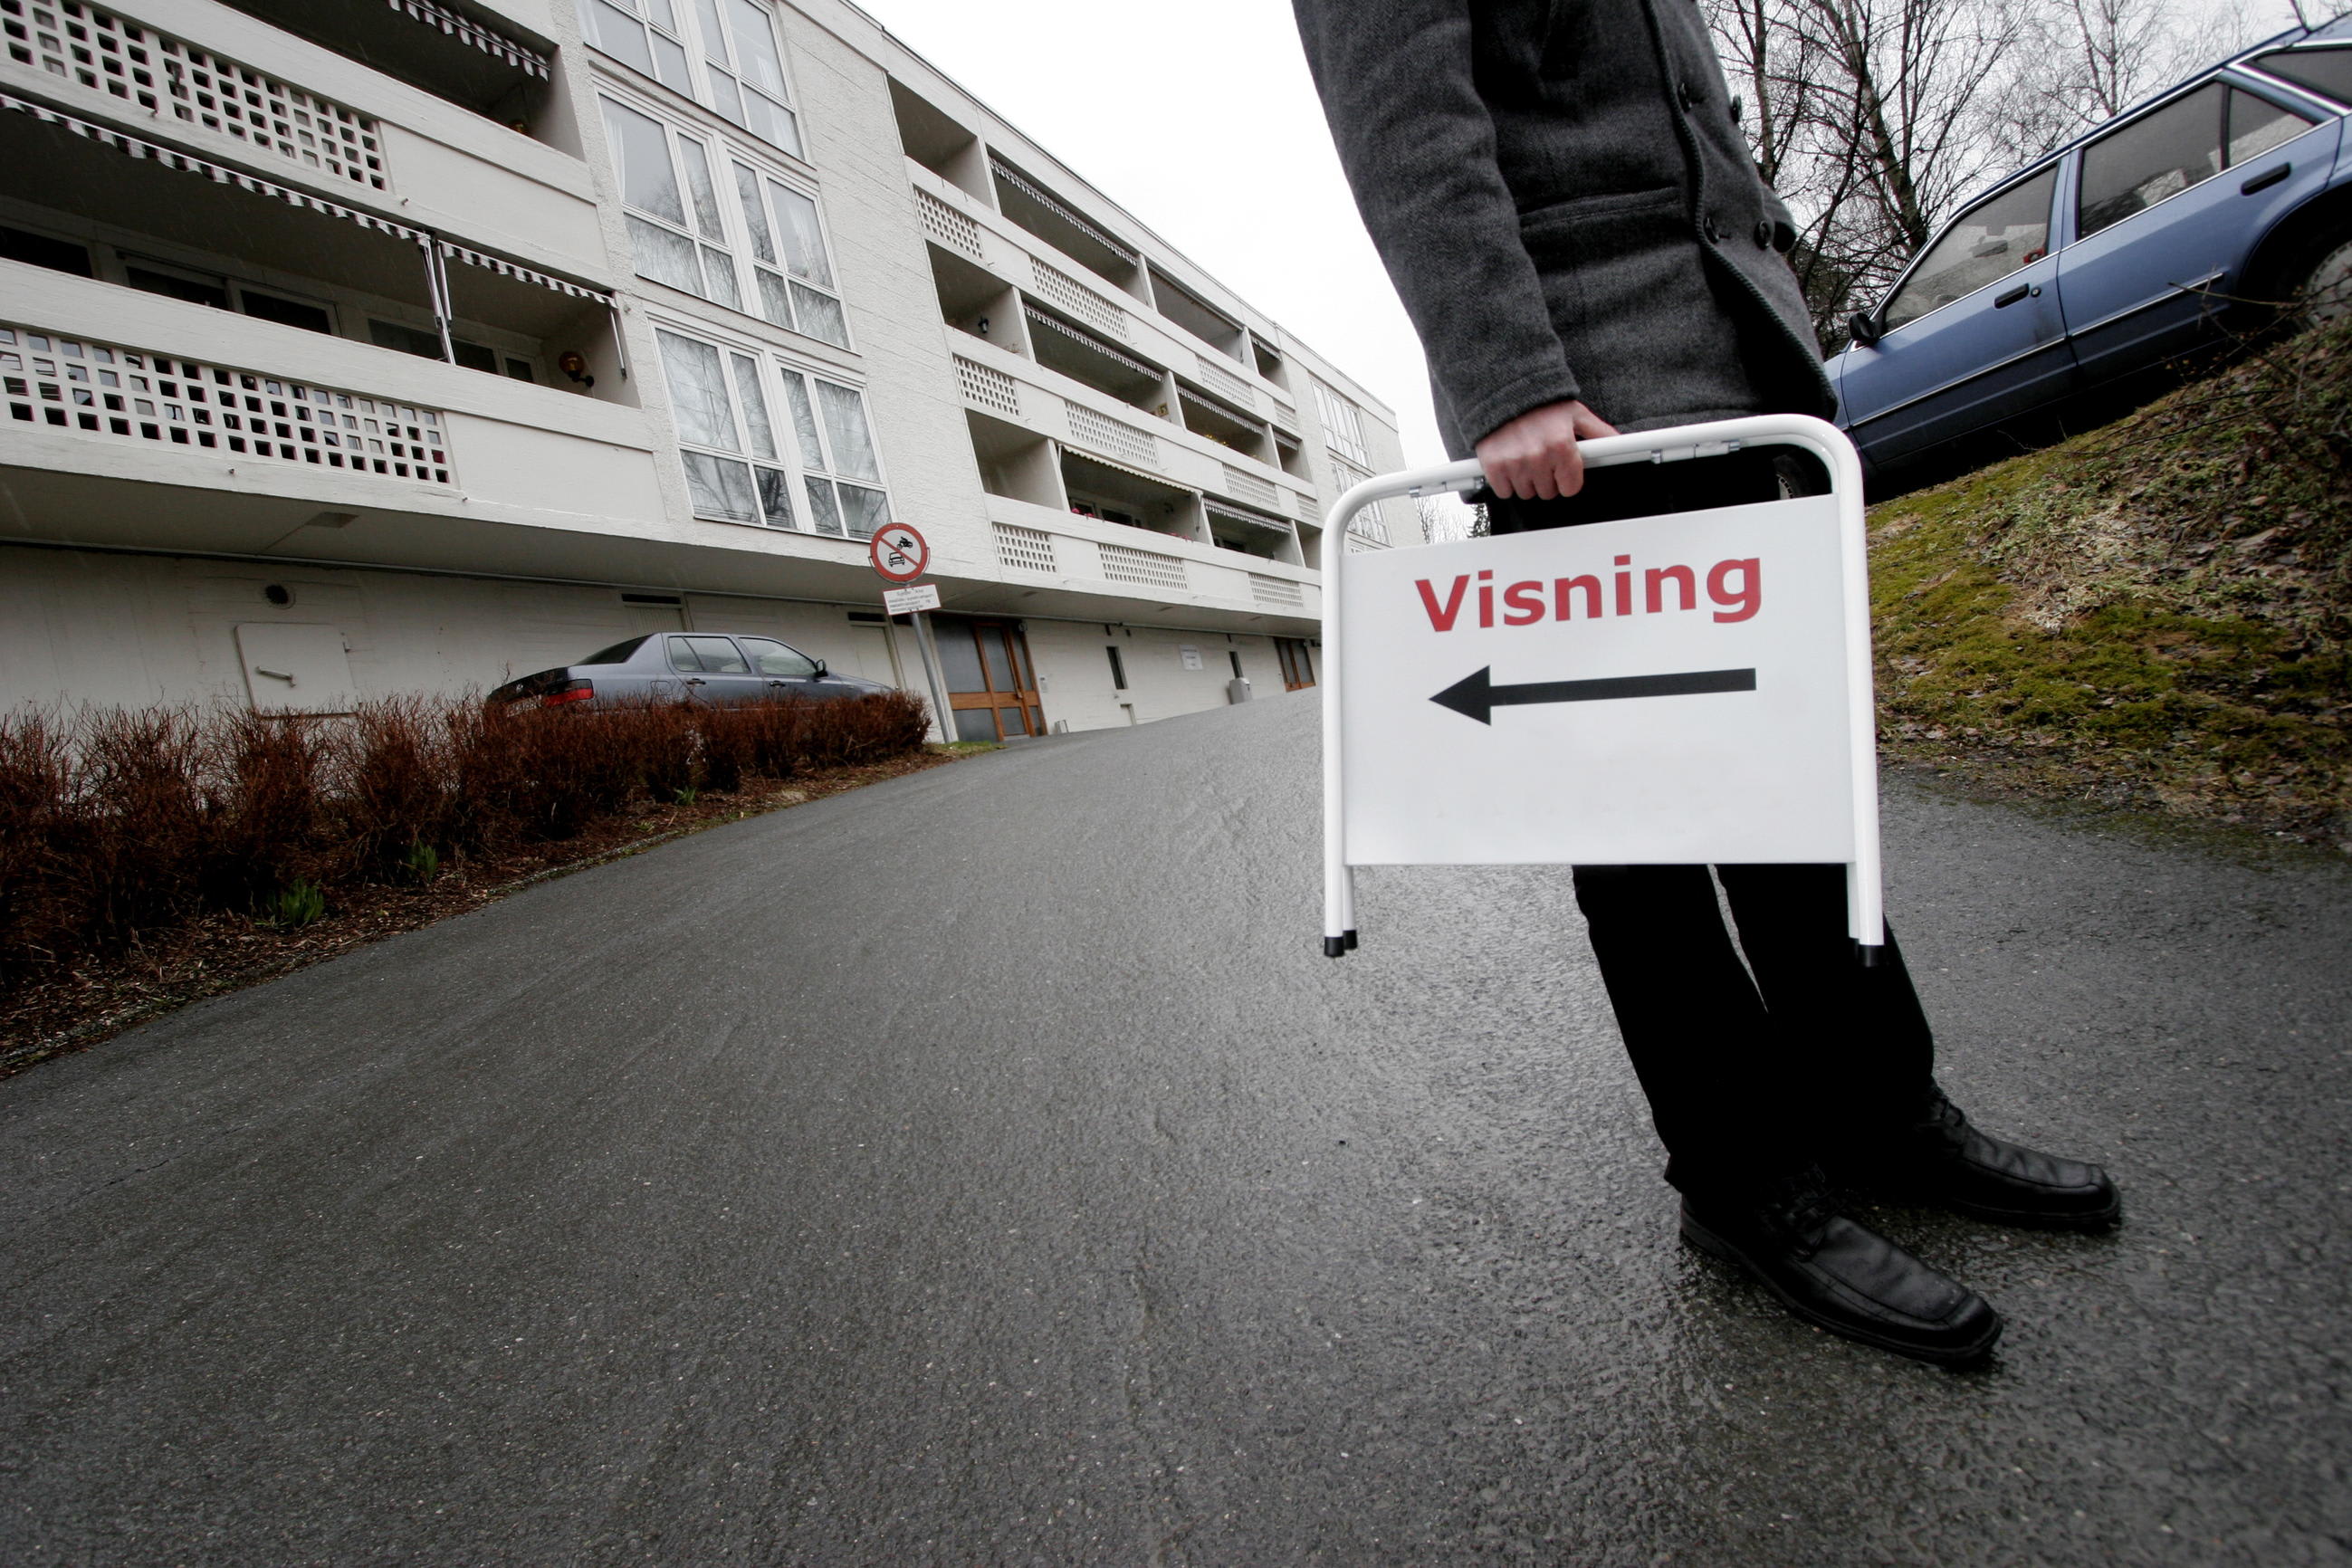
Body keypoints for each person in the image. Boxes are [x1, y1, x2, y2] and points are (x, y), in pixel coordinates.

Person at [1293, 0, 2118, 1366]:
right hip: (1580, 411)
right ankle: (1739, 1180)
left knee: (1785, 787)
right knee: (1644, 843)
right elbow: (1408, 123)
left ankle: (1877, 1111)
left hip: (1726, 372)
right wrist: (1505, 378)